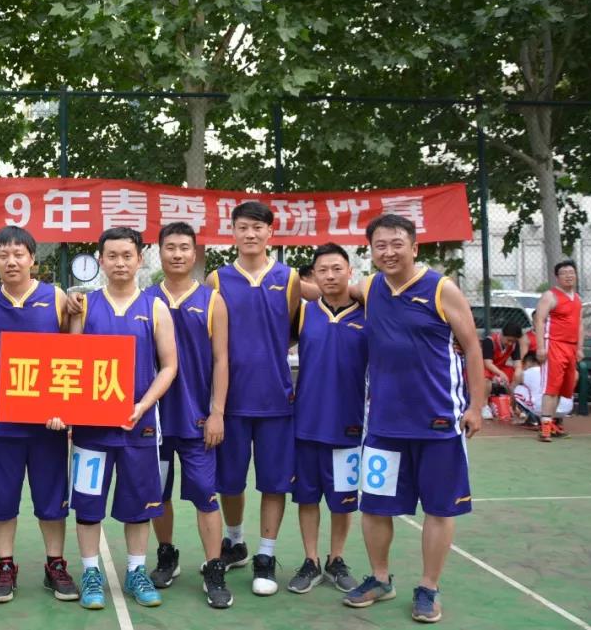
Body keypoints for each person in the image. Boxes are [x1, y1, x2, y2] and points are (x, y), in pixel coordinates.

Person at [342, 214, 483, 624]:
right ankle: (380, 579)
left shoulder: (441, 288)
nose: (388, 252)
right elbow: (332, 287)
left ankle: (429, 587)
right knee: (374, 508)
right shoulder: (370, 287)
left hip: (437, 423)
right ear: (371, 250)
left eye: (396, 244)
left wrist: (475, 406)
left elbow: (473, 348)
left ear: (414, 247)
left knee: (439, 509)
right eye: (380, 245)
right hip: (384, 424)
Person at [59, 226, 177, 611]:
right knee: (88, 504)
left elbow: (169, 366)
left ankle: (136, 570)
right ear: (101, 260)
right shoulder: (85, 306)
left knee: (138, 504)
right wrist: (66, 411)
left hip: (138, 426)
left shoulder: (155, 307)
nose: (120, 263)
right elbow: (71, 363)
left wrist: (144, 405)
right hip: (91, 429)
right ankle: (91, 572)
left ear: (140, 259)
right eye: (112, 256)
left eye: (127, 255)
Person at [0, 227, 79, 604]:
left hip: (47, 423)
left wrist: (66, 409)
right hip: (2, 421)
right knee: (2, 500)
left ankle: (55, 564)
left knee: (51, 498)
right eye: (3, 255)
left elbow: (72, 356)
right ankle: (6, 566)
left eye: (19, 254)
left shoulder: (55, 297)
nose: (11, 261)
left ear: (33, 259)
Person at [206, 200, 301, 596]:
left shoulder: (289, 278)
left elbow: (290, 329)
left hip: (276, 399)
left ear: (270, 233)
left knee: (274, 482)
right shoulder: (217, 279)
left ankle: (266, 554)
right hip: (230, 402)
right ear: (232, 232)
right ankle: (236, 541)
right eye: (243, 227)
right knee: (229, 482)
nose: (250, 234)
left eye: (257, 227)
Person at [143, 222, 233, 609]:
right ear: (159, 252)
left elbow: (221, 360)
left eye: (184, 247)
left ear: (194, 254)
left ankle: (214, 567)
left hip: (197, 421)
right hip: (155, 423)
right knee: (157, 493)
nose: (177, 254)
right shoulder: (146, 299)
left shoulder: (212, 301)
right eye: (170, 247)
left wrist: (217, 412)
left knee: (205, 496)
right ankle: (167, 554)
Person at [286, 243, 365, 595]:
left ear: (350, 271)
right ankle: (311, 560)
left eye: (337, 268)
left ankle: (337, 559)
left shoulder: (368, 313)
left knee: (342, 499)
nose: (330, 276)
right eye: (323, 270)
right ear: (314, 276)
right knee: (307, 496)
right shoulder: (304, 313)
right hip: (306, 421)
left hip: (349, 423)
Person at [532, 259, 584, 441]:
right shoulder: (550, 296)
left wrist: (579, 348)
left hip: (571, 347)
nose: (569, 276)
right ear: (557, 277)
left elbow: (579, 324)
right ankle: (545, 429)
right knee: (551, 387)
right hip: (554, 344)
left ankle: (552, 423)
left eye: (571, 272)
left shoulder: (577, 298)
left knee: (563, 388)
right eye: (564, 273)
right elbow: (539, 320)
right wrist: (540, 347)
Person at [481, 322, 525, 395]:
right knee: (485, 377)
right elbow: (487, 363)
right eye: (509, 340)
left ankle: (510, 394)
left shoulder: (514, 344)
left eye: (513, 341)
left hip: (500, 368)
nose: (510, 343)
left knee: (519, 374)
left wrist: (518, 371)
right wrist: (500, 373)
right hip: (486, 368)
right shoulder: (489, 341)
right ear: (502, 334)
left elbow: (517, 364)